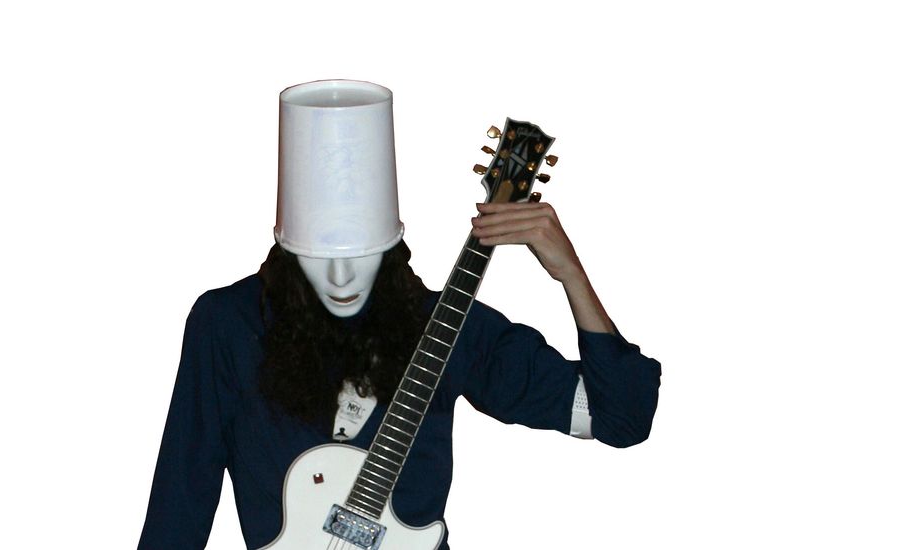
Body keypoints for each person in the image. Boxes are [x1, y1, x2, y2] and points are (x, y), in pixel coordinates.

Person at [137, 80, 661, 550]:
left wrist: (571, 275)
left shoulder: (445, 325)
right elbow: (182, 497)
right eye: (319, 254)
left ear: (392, 244)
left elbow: (620, 418)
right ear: (287, 247)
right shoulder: (228, 324)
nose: (341, 277)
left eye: (362, 252)